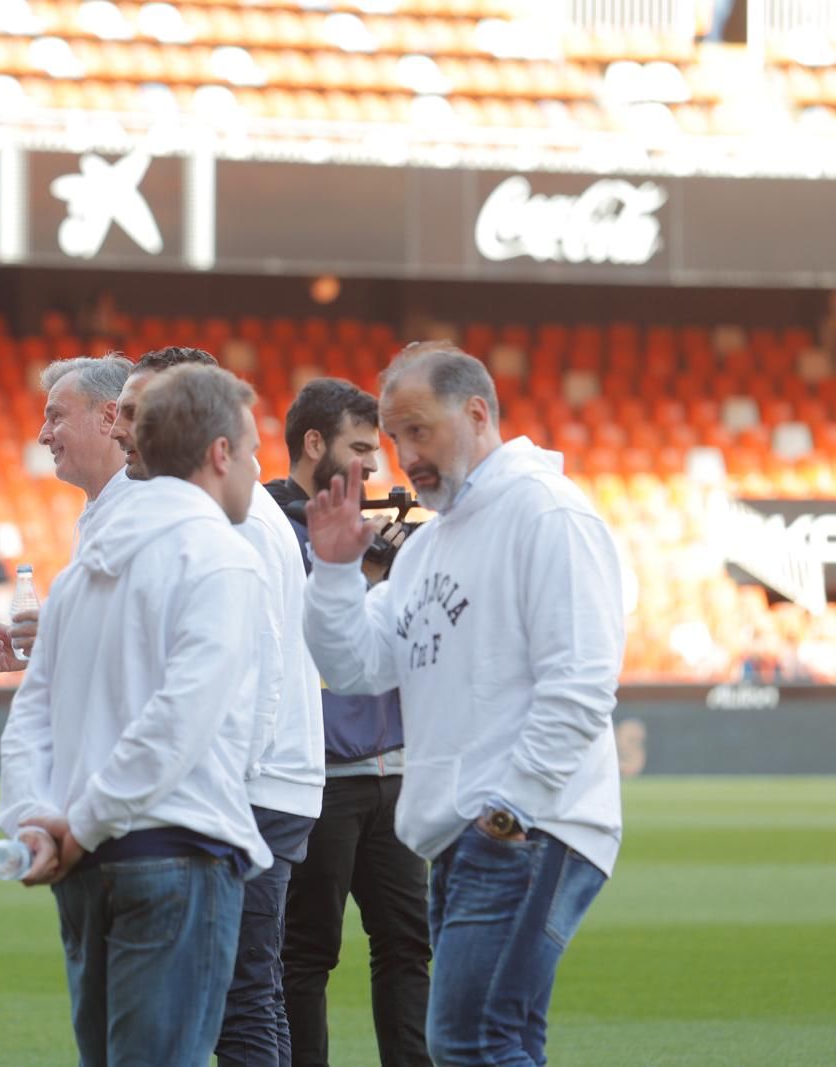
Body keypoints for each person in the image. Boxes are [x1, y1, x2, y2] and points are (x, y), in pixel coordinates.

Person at [303, 343, 625, 1067]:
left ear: (477, 412)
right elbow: (355, 665)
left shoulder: (546, 513)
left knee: (470, 1041)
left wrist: (510, 811)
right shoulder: (430, 544)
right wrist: (331, 572)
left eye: (419, 430)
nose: (403, 454)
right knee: (498, 1040)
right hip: (470, 830)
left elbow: (580, 679)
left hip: (524, 823)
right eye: (393, 436)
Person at [0, 364, 273, 1067]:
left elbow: (34, 710)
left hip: (89, 866)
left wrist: (37, 818)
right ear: (218, 453)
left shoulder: (86, 564)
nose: (254, 467)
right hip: (174, 852)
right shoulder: (220, 557)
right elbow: (178, 720)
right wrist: (80, 828)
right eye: (250, 449)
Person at [111, 347, 325, 1066]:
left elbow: (256, 664)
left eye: (140, 412)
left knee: (237, 994)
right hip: (265, 777)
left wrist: (228, 785)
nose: (127, 429)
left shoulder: (235, 520)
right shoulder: (222, 513)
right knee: (248, 990)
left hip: (252, 785)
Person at [266, 378, 433, 1067]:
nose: (373, 464)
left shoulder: (386, 521)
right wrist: (361, 566)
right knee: (307, 950)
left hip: (390, 767)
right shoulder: (267, 525)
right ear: (314, 444)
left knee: (407, 940)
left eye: (378, 447)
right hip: (317, 774)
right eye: (359, 448)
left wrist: (397, 560)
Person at [0, 355, 133, 671]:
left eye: (56, 417)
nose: (43, 435)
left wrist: (50, 638)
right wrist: (35, 653)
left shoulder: (143, 513)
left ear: (109, 417)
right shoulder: (99, 511)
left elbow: (140, 639)